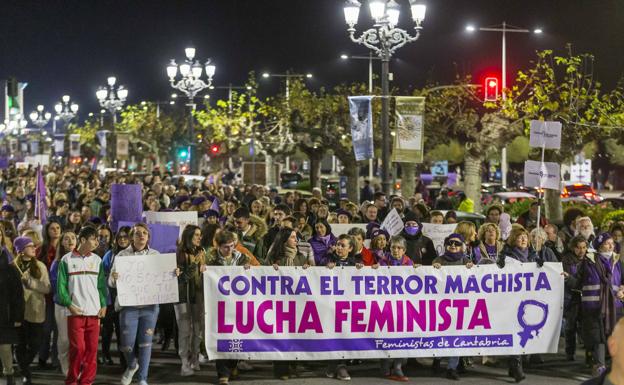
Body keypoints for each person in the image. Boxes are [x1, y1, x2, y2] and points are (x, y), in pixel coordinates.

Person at [109, 223, 161, 385]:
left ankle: (142, 379)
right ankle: (132, 365)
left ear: (148, 236)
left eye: (144, 233)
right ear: (132, 237)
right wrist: (114, 277)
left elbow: (163, 278)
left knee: (146, 343)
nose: (141, 236)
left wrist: (173, 274)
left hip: (149, 306)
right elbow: (110, 282)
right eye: (138, 233)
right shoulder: (122, 256)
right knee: (126, 345)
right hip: (128, 306)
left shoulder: (155, 255)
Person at [565, 233, 624, 377]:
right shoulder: (588, 262)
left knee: (614, 337)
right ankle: (600, 365)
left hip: (615, 307)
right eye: (607, 243)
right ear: (599, 246)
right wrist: (568, 278)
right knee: (598, 338)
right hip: (593, 308)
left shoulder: (618, 262)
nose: (611, 245)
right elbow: (578, 282)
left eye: (612, 243)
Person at [56, 226, 107, 385]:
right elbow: (61, 287)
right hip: (75, 312)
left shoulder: (97, 260)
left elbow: (101, 286)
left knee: (92, 351)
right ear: (83, 240)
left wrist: (104, 305)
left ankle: (86, 381)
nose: (97, 242)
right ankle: (71, 380)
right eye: (94, 238)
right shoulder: (66, 260)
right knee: (77, 349)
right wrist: (69, 305)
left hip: (94, 312)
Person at [498, 225, 548, 382]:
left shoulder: (534, 256)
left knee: (523, 332)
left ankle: (513, 366)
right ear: (514, 239)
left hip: (529, 301)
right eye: (520, 237)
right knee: (515, 332)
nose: (524, 239)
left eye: (525, 237)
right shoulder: (505, 257)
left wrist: (542, 266)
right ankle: (517, 366)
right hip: (511, 301)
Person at [205, 230, 251, 384]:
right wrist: (202, 272)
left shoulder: (243, 257)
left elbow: (259, 270)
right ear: (218, 246)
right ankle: (223, 374)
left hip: (239, 304)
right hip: (218, 305)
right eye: (226, 247)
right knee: (222, 337)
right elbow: (201, 282)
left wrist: (250, 269)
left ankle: (233, 365)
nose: (230, 250)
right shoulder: (209, 259)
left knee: (238, 337)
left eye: (232, 246)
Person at [267, 227, 310, 380]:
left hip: (296, 304)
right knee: (280, 336)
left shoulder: (301, 257)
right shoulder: (273, 258)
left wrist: (307, 269)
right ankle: (281, 369)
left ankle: (293, 364)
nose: (296, 240)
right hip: (278, 304)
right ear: (284, 239)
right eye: (293, 237)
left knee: (294, 335)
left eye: (296, 237)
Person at [432, 233, 474, 380]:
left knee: (456, 336)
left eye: (457, 243)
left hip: (459, 306)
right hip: (441, 305)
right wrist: (434, 268)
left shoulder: (466, 261)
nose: (453, 246)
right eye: (450, 243)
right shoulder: (439, 260)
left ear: (462, 246)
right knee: (440, 335)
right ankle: (436, 359)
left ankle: (452, 367)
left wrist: (472, 268)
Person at [13, 236, 50, 385]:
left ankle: (23, 366)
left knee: (36, 343)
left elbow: (47, 288)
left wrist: (31, 283)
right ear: (21, 251)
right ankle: (26, 374)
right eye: (29, 246)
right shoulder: (12, 266)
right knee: (20, 344)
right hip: (18, 311)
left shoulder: (40, 266)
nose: (34, 248)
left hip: (36, 310)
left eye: (33, 245)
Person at [175, 225, 207, 377]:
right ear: (188, 236)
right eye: (196, 235)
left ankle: (195, 357)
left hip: (198, 296)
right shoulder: (180, 254)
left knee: (198, 330)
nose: (199, 238)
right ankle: (184, 362)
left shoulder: (202, 251)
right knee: (185, 331)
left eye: (200, 235)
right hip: (183, 298)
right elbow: (182, 279)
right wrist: (195, 264)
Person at [101, 226, 131, 367]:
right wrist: (111, 276)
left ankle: (124, 359)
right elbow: (102, 274)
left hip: (126, 297)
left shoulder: (134, 254)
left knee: (122, 330)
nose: (123, 240)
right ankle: (106, 355)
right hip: (110, 296)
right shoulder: (110, 255)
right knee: (107, 328)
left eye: (126, 237)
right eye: (120, 237)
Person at [49, 231, 77, 376]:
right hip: (62, 306)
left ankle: (76, 366)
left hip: (80, 305)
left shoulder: (83, 260)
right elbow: (56, 287)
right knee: (64, 339)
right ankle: (64, 364)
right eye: (66, 239)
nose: (70, 240)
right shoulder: (57, 263)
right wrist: (68, 301)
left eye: (73, 238)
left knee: (77, 340)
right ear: (62, 243)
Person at [37, 220, 63, 370]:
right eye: (52, 228)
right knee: (46, 329)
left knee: (59, 330)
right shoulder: (41, 249)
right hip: (46, 295)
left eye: (58, 227)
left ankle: (56, 359)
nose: (55, 230)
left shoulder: (65, 248)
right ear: (47, 231)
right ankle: (42, 356)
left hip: (61, 295)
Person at [0, 245, 24, 385]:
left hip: (4, 314)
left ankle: (9, 374)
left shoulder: (10, 268)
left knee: (4, 347)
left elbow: (18, 295)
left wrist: (17, 316)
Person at [561, 235, 587, 362]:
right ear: (573, 248)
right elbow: (566, 279)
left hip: (585, 298)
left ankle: (589, 353)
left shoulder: (589, 260)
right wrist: (574, 282)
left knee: (585, 327)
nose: (581, 250)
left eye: (584, 247)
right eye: (578, 248)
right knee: (570, 327)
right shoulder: (566, 260)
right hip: (571, 298)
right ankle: (569, 353)